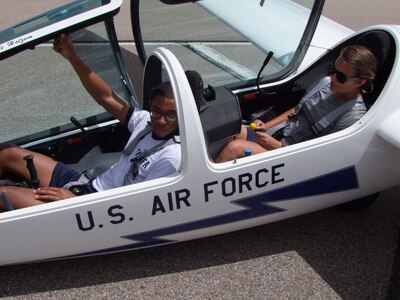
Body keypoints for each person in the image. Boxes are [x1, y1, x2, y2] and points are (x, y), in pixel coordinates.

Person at [0, 33, 181, 210]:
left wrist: (75, 203)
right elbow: (106, 97)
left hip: (92, 206)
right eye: (156, 111)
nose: (161, 120)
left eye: (170, 115)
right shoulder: (145, 123)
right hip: (85, 183)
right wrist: (72, 57)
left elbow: (141, 208)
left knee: (3, 195)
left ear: (181, 115)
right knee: (7, 153)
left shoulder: (172, 156)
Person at [215, 45, 377, 163]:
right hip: (276, 137)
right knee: (228, 131)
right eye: (333, 71)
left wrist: (276, 146)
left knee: (234, 148)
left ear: (360, 82)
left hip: (292, 157)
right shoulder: (325, 83)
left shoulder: (353, 117)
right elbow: (298, 109)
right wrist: (266, 125)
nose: (333, 78)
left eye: (341, 77)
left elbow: (322, 157)